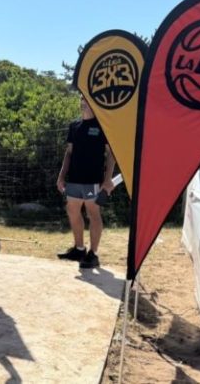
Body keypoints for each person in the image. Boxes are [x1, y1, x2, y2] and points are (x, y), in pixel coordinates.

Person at [56, 97, 116, 269]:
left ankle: (93, 254)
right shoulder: (74, 126)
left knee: (93, 213)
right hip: (74, 179)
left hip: (93, 180)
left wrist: (107, 179)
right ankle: (79, 249)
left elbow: (111, 154)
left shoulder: (102, 125)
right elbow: (68, 153)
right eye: (82, 98)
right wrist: (61, 177)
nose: (83, 102)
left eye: (87, 99)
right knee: (72, 210)